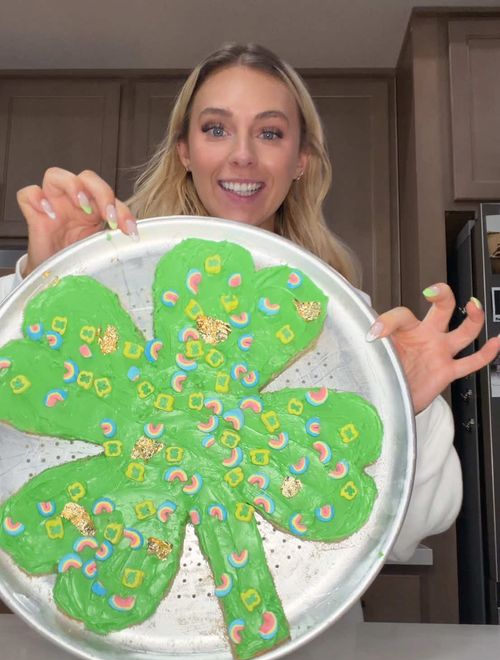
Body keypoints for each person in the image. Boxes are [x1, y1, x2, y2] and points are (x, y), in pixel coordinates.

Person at [1, 42, 498, 572]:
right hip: (123, 642)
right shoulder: (111, 283)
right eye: (216, 128)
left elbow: (412, 532)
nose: (242, 154)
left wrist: (406, 406)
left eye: (270, 132)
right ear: (184, 152)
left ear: (301, 160)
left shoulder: (346, 321)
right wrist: (42, 287)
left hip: (310, 641)